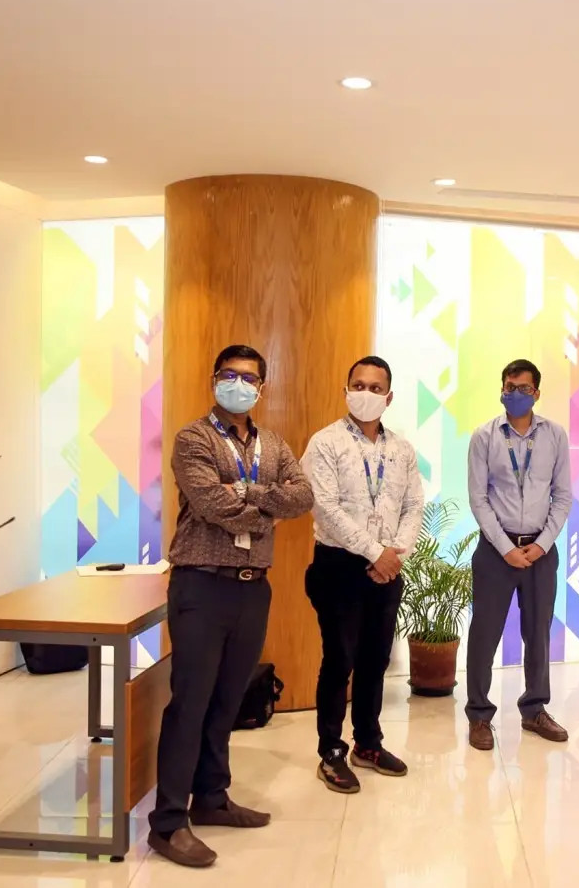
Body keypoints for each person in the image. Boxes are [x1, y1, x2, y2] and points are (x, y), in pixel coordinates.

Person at [147, 345, 314, 867]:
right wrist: (265, 507)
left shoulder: (273, 443)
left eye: (249, 378)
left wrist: (245, 491)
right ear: (213, 379)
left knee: (226, 702)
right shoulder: (193, 438)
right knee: (190, 703)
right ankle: (167, 823)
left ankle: (212, 797)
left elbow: (302, 496)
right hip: (202, 585)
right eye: (229, 375)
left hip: (252, 587)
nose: (238, 384)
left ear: (262, 387)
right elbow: (209, 502)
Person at [302, 356, 424, 793]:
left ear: (388, 397)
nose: (365, 393)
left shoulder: (401, 449)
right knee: (340, 660)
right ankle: (331, 752)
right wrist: (376, 552)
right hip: (339, 566)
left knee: (376, 660)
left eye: (375, 387)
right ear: (346, 390)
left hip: (388, 568)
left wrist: (395, 554)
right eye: (358, 385)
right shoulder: (325, 443)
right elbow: (325, 508)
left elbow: (414, 505)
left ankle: (368, 744)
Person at [464, 359, 573, 751]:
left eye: (523, 388)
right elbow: (478, 498)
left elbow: (563, 496)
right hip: (496, 550)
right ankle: (479, 715)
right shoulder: (485, 436)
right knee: (484, 633)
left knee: (538, 633)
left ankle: (534, 709)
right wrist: (507, 548)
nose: (515, 394)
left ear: (536, 393)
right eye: (509, 387)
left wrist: (542, 544)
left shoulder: (555, 436)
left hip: (541, 549)